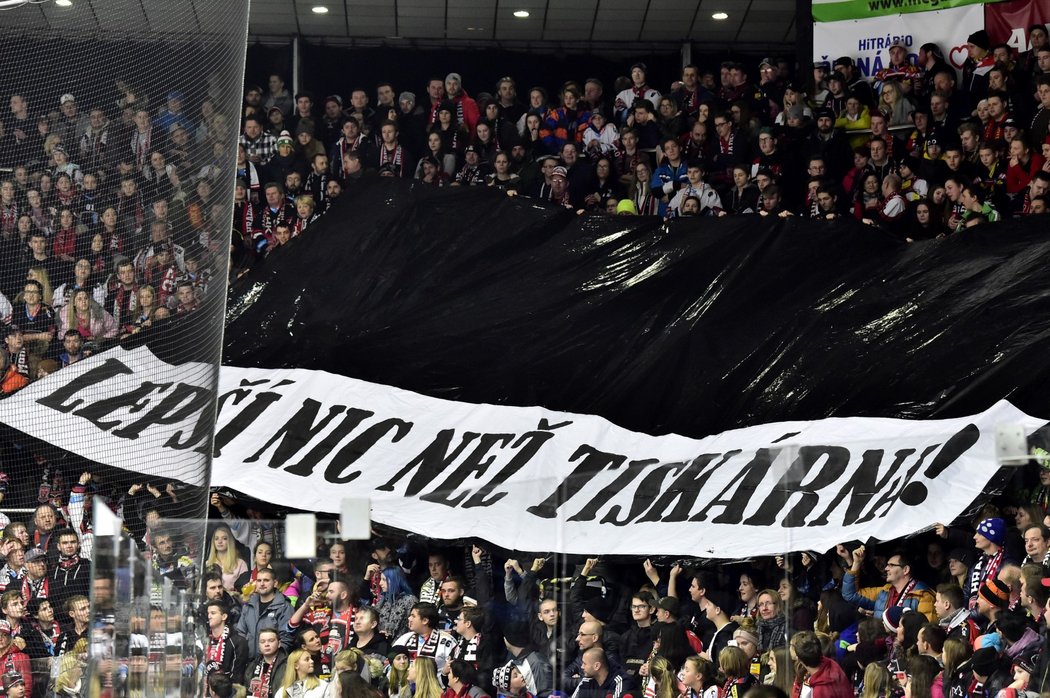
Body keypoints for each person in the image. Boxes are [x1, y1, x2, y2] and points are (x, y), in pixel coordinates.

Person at [839, 545, 936, 621]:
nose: (886, 568)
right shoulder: (884, 592)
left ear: (905, 570)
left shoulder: (923, 596)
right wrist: (856, 562)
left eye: (891, 565)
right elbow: (850, 594)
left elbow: (927, 634)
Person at [238, 568, 293, 659]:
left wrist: (275, 660)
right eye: (259, 580)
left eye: (266, 580)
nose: (262, 584)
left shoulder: (284, 607)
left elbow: (286, 639)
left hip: (273, 662)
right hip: (249, 662)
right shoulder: (248, 605)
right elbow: (241, 633)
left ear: (275, 583)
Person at [789, 631, 852, 698]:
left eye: (791, 645)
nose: (789, 648)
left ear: (798, 657)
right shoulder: (830, 664)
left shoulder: (821, 691)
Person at [206, 524, 249, 592]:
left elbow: (245, 590)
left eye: (224, 538)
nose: (220, 541)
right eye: (216, 538)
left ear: (230, 541)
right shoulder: (208, 563)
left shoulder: (240, 563)